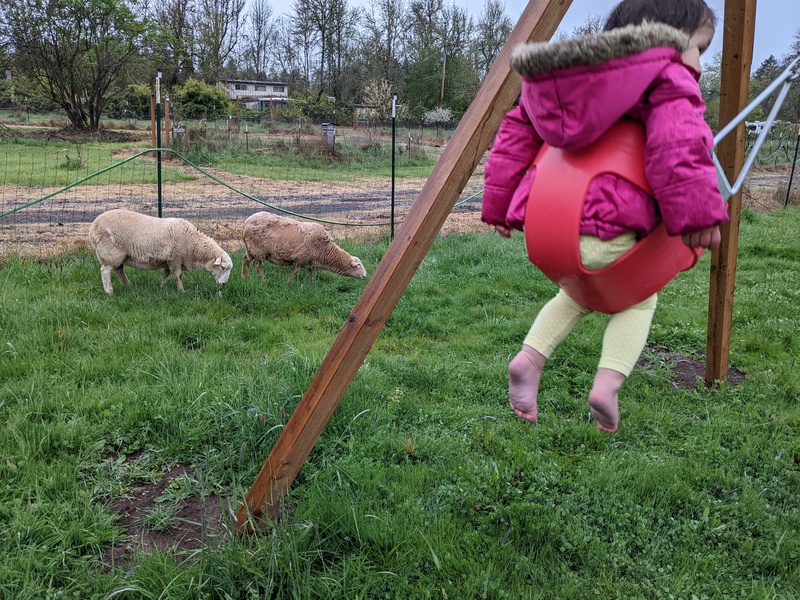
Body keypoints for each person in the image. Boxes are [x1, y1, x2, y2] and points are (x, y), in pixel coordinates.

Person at [481, 0, 730, 433]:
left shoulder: (559, 78)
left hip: (548, 226)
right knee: (639, 299)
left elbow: (514, 136)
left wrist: (498, 204)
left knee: (576, 295)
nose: (700, 66)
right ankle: (607, 384)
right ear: (668, 38)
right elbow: (679, 143)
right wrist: (697, 215)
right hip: (612, 226)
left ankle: (529, 360)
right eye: (699, 49)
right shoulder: (666, 74)